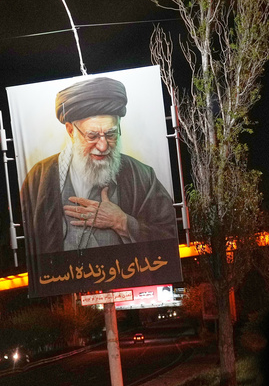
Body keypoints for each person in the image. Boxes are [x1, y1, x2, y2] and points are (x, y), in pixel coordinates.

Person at [19, 76, 177, 256]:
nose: (103, 146)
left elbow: (168, 236)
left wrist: (123, 222)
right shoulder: (38, 179)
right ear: (71, 131)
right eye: (92, 136)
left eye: (110, 134)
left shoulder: (142, 176)